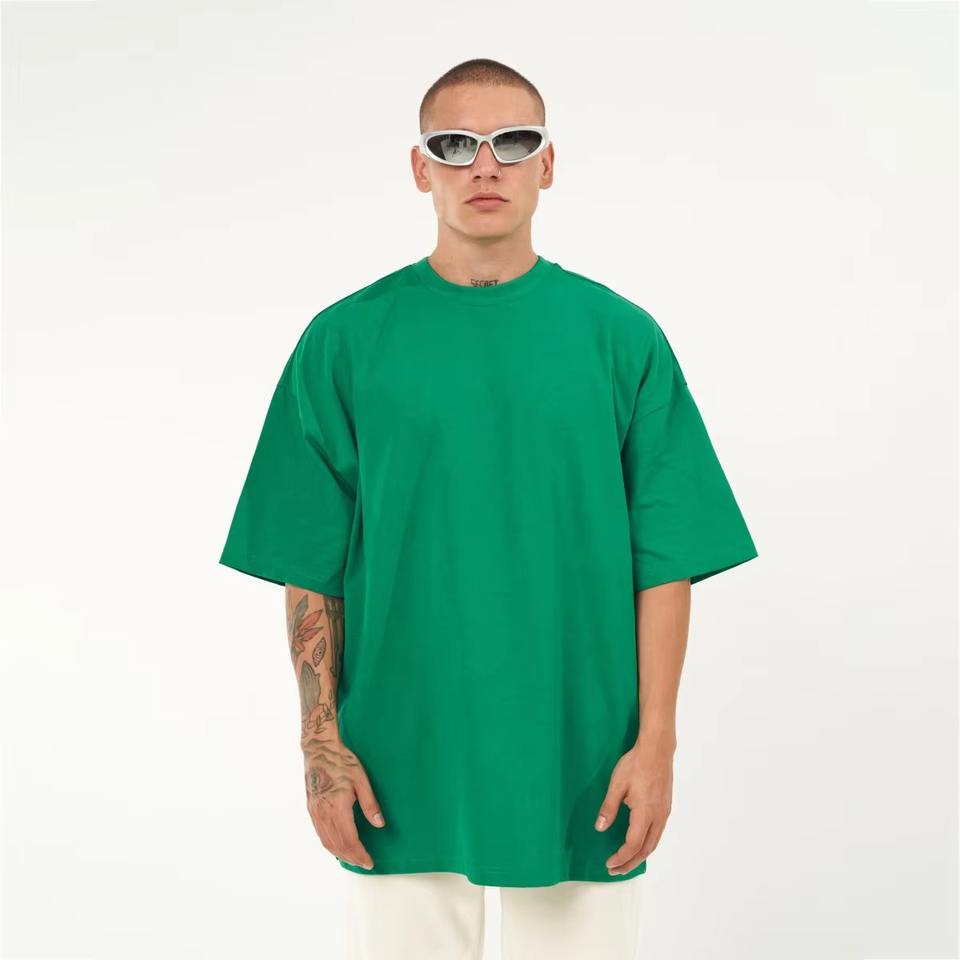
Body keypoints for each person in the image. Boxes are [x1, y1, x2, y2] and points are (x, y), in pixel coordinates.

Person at [218, 58, 758, 960]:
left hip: (583, 751)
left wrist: (657, 743)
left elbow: (665, 557)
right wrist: (321, 747)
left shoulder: (619, 337)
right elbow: (310, 558)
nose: (484, 166)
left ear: (548, 164)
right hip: (398, 752)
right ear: (419, 167)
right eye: (454, 144)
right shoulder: (345, 342)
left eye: (513, 142)